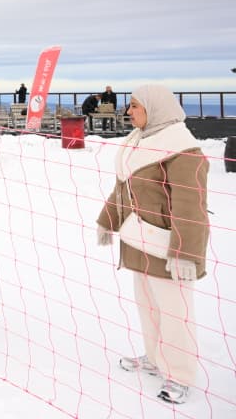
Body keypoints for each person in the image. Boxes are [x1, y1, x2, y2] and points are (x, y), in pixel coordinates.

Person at [95, 84, 208, 405]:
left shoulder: (182, 149)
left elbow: (191, 206)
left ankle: (179, 375)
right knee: (148, 306)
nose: (128, 111)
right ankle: (156, 358)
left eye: (134, 106)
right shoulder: (138, 141)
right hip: (138, 240)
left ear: (155, 107)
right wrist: (107, 221)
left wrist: (187, 253)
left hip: (169, 248)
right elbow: (123, 189)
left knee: (175, 313)